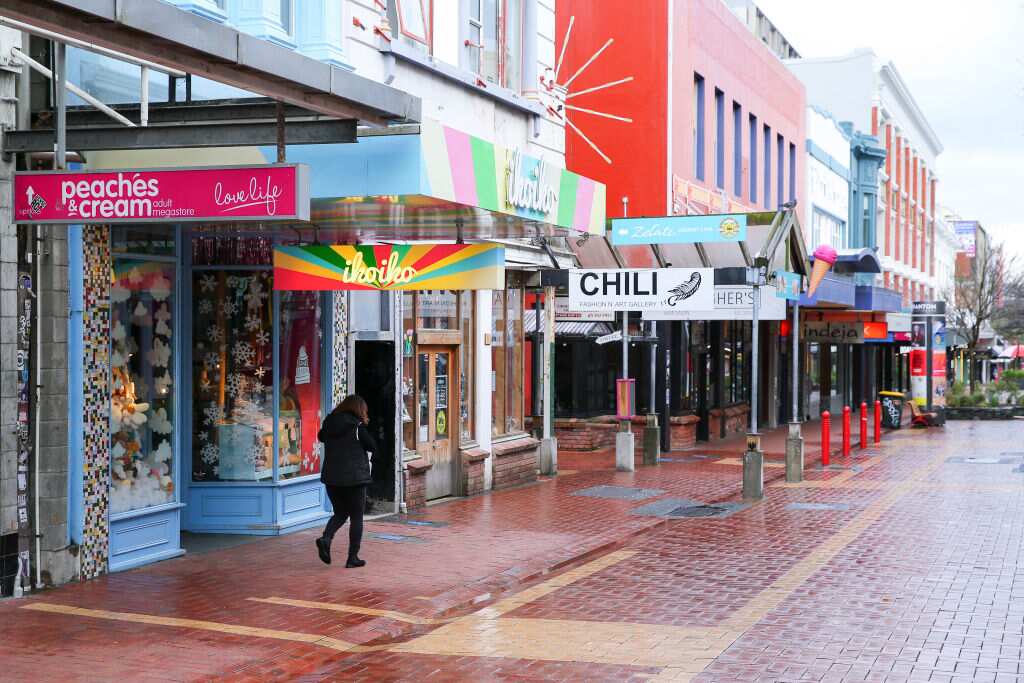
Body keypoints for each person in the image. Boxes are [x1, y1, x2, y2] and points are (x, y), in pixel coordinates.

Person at [316, 394, 377, 568]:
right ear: (359, 410)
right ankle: (352, 558)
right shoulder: (357, 426)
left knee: (341, 513)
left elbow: (321, 437)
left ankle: (326, 538)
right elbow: (372, 446)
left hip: (332, 478)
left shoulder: (329, 423)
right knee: (357, 517)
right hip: (355, 479)